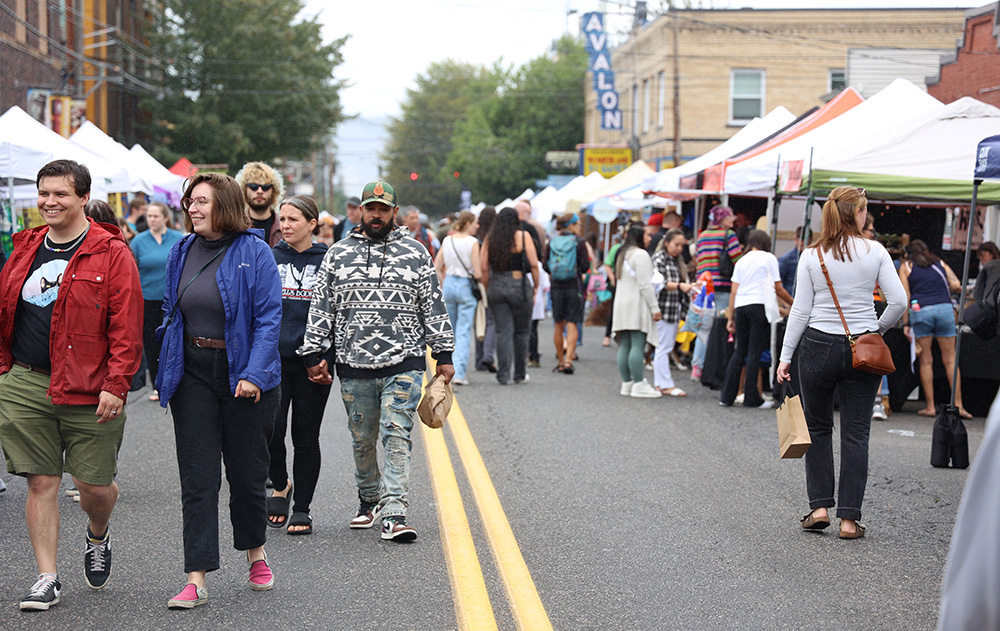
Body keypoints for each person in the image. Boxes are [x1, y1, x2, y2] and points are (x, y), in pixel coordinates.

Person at [0, 159, 143, 611]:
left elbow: (126, 323)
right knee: (41, 481)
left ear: (83, 197)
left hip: (90, 387)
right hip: (26, 382)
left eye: (60, 193)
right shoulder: (24, 248)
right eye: (44, 192)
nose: (49, 201)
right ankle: (47, 576)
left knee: (93, 488)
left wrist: (117, 383)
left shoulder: (111, 251)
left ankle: (97, 533)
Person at [297, 180, 454, 542]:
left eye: (384, 209)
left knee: (396, 433)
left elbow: (433, 305)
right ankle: (369, 499)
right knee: (362, 440)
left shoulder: (416, 253)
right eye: (371, 208)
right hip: (353, 364)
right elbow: (322, 308)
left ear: (394, 213)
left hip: (405, 362)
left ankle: (395, 511)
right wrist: (313, 354)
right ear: (362, 211)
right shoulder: (337, 254)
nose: (377, 215)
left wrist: (443, 354)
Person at [157, 172, 282, 608]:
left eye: (201, 201)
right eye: (190, 201)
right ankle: (196, 577)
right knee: (197, 477)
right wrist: (166, 373)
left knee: (247, 475)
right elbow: (171, 314)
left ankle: (256, 553)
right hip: (193, 371)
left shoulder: (256, 252)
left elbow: (269, 319)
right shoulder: (181, 251)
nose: (192, 207)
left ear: (224, 205)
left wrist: (252, 372)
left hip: (246, 375)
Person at [777, 186, 905, 540]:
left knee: (817, 428)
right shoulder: (875, 251)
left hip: (818, 344)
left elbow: (800, 310)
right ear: (858, 213)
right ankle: (849, 520)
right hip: (862, 347)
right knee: (856, 433)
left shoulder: (812, 254)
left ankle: (819, 507)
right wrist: (874, 330)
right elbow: (898, 302)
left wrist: (785, 356)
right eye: (864, 210)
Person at [267, 196, 334, 535]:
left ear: (312, 224)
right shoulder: (269, 257)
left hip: (314, 364)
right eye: (283, 219)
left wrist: (327, 357)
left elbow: (337, 313)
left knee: (305, 435)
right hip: (273, 361)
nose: (286, 225)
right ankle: (280, 483)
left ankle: (302, 508)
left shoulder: (328, 261)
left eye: (294, 219)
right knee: (271, 432)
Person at [720, 229, 793, 408]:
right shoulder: (769, 258)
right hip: (759, 306)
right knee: (755, 352)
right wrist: (793, 304)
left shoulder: (741, 261)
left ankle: (726, 396)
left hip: (741, 306)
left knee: (740, 351)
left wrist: (731, 317)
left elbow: (733, 292)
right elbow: (778, 288)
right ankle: (752, 397)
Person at [899, 239, 970, 418]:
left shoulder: (906, 265)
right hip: (944, 310)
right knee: (951, 360)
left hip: (921, 311)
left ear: (908, 253)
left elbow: (905, 296)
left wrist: (906, 324)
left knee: (926, 361)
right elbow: (956, 285)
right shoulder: (939, 262)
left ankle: (930, 406)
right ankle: (959, 405)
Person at [130, 202, 183, 402]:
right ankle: (158, 386)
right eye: (149, 216)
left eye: (155, 216)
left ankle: (175, 382)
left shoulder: (177, 238)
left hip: (173, 301)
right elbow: (132, 270)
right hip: (147, 300)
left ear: (165, 217)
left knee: (173, 342)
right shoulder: (138, 241)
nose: (151, 220)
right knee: (152, 344)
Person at [481, 207, 539, 385]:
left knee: (502, 332)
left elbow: (483, 267)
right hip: (519, 285)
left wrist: (487, 286)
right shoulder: (523, 237)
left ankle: (503, 374)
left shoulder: (491, 239)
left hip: (497, 284)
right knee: (521, 332)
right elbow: (534, 264)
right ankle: (519, 374)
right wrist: (536, 286)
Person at [613, 222, 662, 398]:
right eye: (648, 235)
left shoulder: (623, 253)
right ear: (639, 236)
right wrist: (654, 307)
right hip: (637, 303)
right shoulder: (641, 255)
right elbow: (645, 284)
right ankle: (639, 383)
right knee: (637, 344)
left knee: (625, 344)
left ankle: (628, 382)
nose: (650, 238)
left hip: (621, 303)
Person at [692, 205, 742, 379]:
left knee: (704, 327)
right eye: (730, 216)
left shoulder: (702, 236)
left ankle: (697, 366)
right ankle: (714, 367)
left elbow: (698, 261)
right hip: (722, 286)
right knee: (721, 327)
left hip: (704, 287)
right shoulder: (729, 235)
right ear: (722, 219)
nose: (733, 219)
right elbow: (738, 261)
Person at [434, 210, 481, 386]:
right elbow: (476, 272)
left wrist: (443, 281)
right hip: (465, 285)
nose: (477, 226)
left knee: (449, 331)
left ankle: (446, 366)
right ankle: (459, 372)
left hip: (449, 284)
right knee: (463, 331)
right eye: (475, 222)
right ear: (468, 223)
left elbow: (437, 266)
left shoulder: (448, 240)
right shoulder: (472, 242)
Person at [545, 213, 590, 374]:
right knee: (572, 323)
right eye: (577, 224)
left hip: (556, 287)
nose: (579, 227)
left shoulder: (551, 242)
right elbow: (585, 266)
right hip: (574, 287)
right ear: (570, 225)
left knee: (558, 324)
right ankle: (569, 360)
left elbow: (545, 265)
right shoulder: (579, 242)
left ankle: (560, 360)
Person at [651, 228, 693, 396]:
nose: (678, 248)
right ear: (667, 242)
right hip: (663, 307)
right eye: (676, 244)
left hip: (674, 307)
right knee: (663, 346)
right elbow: (657, 283)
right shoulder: (659, 259)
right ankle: (663, 383)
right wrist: (680, 286)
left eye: (681, 246)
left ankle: (662, 383)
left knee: (665, 346)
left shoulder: (677, 260)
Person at [515, 199, 545, 366]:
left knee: (519, 322)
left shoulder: (510, 230)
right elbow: (537, 257)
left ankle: (522, 355)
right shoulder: (533, 229)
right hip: (530, 274)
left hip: (516, 275)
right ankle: (532, 355)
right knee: (531, 321)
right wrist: (536, 284)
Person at [235, 161, 284, 247]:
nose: (260, 191)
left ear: (274, 191)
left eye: (266, 187)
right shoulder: (235, 227)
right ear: (244, 190)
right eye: (253, 186)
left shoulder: (285, 228)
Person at [474, 206, 497, 373]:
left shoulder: (475, 237)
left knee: (478, 321)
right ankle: (488, 355)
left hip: (475, 284)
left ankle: (478, 359)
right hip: (490, 281)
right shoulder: (494, 238)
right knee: (491, 321)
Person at [778, 226, 804, 296]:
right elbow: (776, 284)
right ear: (794, 239)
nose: (802, 242)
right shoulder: (785, 260)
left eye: (805, 239)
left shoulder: (811, 259)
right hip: (790, 299)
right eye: (800, 239)